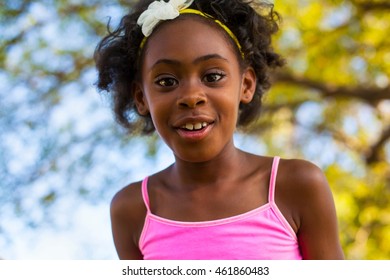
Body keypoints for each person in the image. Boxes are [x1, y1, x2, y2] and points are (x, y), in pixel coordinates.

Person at [94, 0, 344, 260]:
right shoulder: (132, 210)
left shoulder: (296, 185)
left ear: (245, 85)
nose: (191, 96)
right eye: (166, 81)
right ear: (141, 97)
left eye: (212, 76)